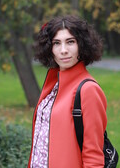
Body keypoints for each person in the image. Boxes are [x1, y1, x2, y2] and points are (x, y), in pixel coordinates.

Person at [28, 15, 107, 168]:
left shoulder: (88, 89)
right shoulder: (53, 84)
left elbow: (94, 155)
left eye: (70, 42)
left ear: (82, 45)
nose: (63, 50)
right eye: (57, 43)